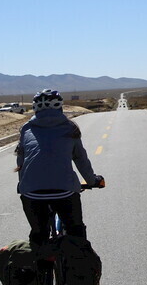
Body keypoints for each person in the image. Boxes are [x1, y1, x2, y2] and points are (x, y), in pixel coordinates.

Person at [16, 89, 104, 247]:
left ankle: (40, 257)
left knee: (38, 235)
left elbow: (21, 162)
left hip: (31, 193)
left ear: (35, 108)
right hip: (64, 192)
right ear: (60, 107)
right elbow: (80, 159)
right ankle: (77, 258)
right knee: (76, 232)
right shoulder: (70, 127)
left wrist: (22, 184)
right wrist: (92, 181)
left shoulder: (26, 129)